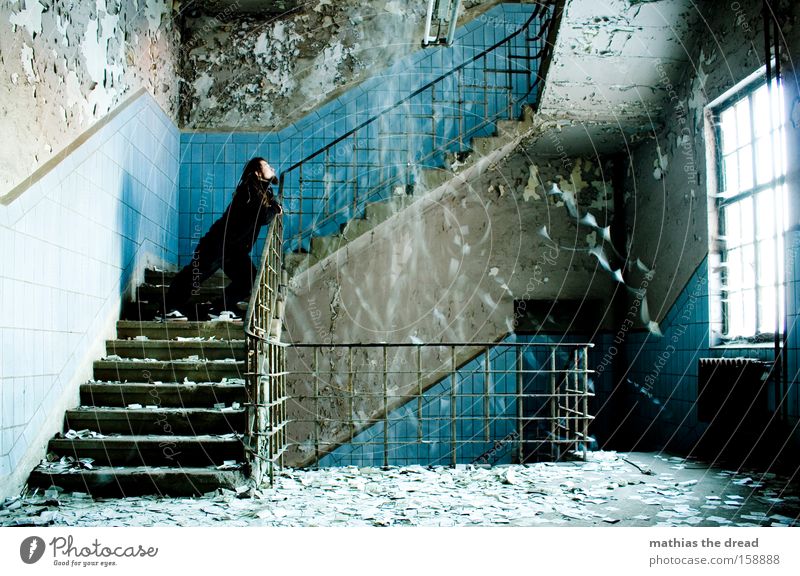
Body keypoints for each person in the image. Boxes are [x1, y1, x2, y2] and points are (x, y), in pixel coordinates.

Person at [161, 157, 282, 320]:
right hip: (217, 244)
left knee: (249, 279)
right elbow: (263, 217)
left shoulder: (261, 191)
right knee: (195, 275)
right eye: (266, 165)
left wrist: (272, 202)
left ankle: (221, 308)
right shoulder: (249, 190)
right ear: (256, 172)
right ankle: (168, 308)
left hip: (234, 250)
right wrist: (274, 207)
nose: (271, 167)